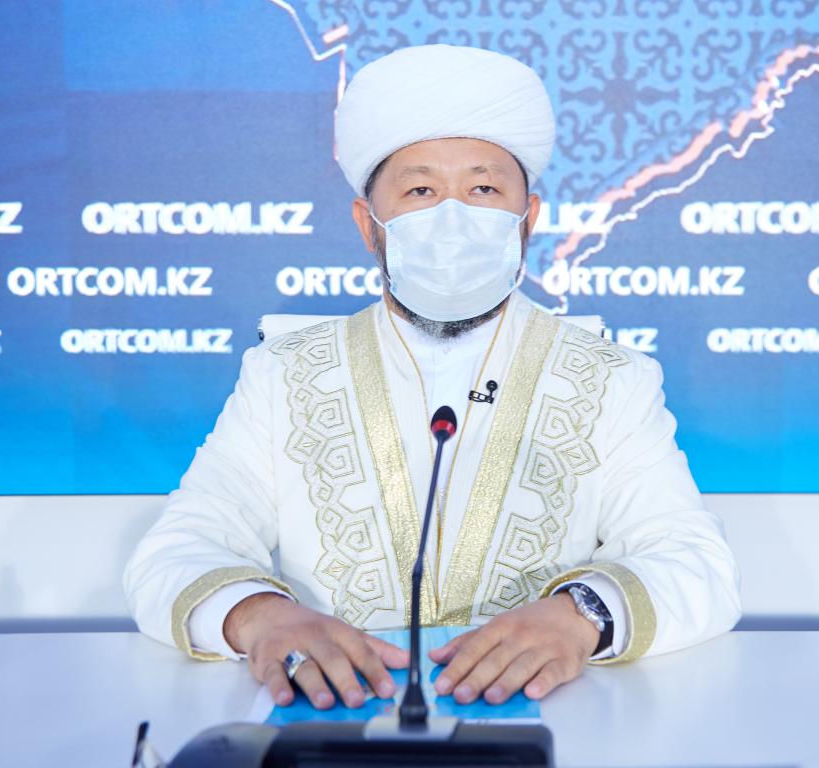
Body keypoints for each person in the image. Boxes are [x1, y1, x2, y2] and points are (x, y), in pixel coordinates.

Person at [124, 44, 740, 712]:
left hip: (554, 721)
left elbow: (696, 562)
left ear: (529, 219)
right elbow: (179, 548)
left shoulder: (611, 378)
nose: (453, 218)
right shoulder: (285, 373)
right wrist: (262, 618)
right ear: (368, 225)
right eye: (420, 191)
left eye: (483, 190)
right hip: (335, 719)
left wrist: (581, 615)